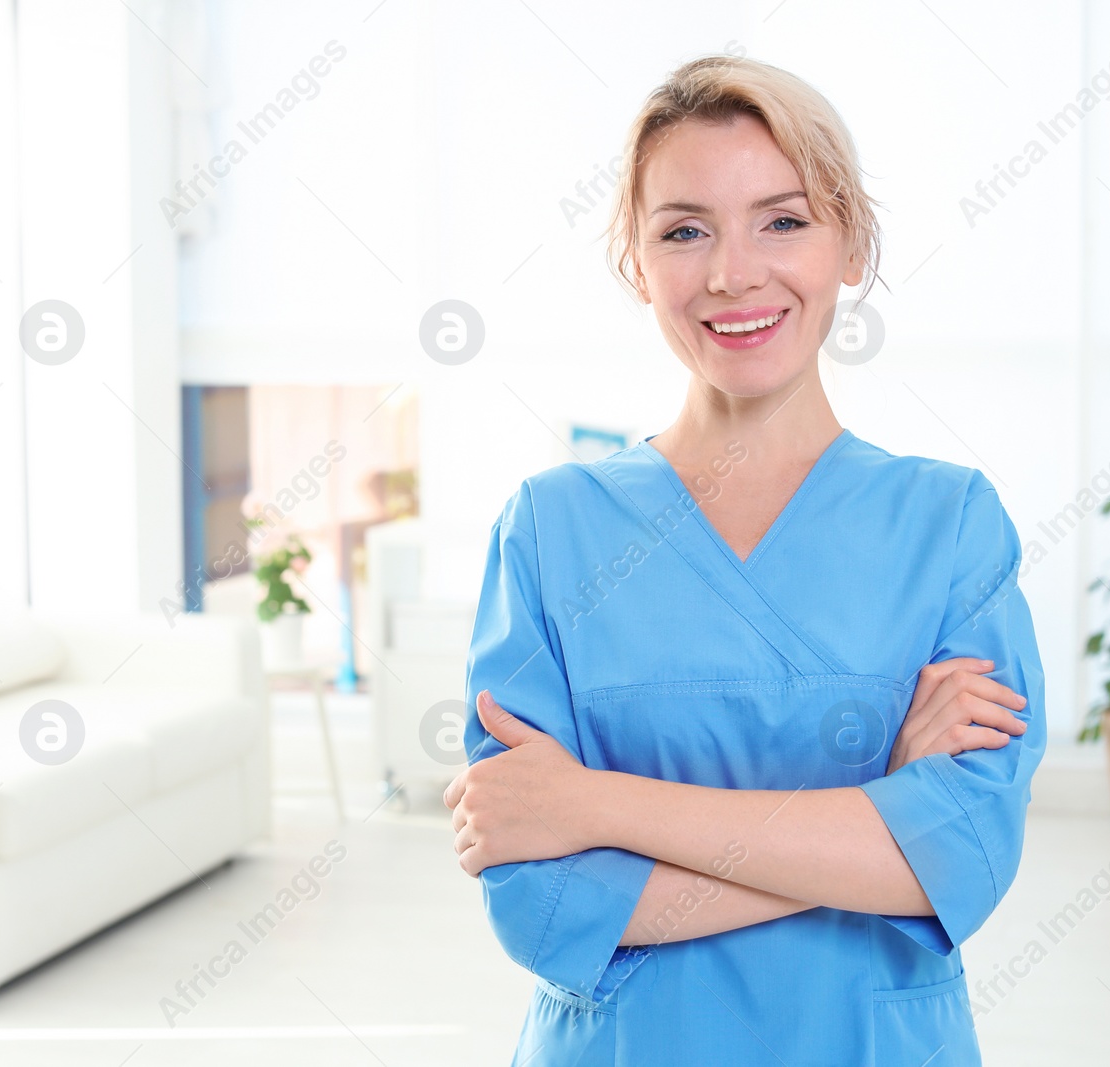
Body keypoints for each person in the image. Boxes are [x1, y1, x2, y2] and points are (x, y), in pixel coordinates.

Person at [443, 54, 1046, 1067]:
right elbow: (539, 904)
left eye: (783, 219)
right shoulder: (553, 528)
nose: (732, 273)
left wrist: (592, 803)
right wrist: (876, 820)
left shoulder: (947, 522)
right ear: (636, 264)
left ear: (848, 242)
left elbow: (966, 858)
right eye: (684, 230)